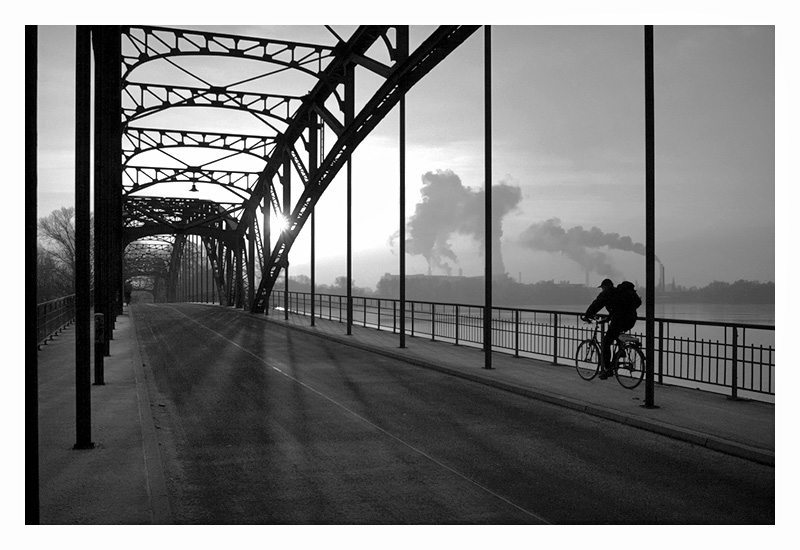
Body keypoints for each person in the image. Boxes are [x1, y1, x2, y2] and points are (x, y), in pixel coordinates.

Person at [581, 279, 641, 379]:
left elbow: (596, 304)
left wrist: (588, 315)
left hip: (619, 320)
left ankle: (608, 369)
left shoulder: (607, 294)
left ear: (605, 287)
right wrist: (608, 318)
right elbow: (618, 308)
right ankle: (621, 351)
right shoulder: (618, 293)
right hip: (631, 320)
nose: (602, 290)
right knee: (616, 334)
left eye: (602, 288)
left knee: (606, 342)